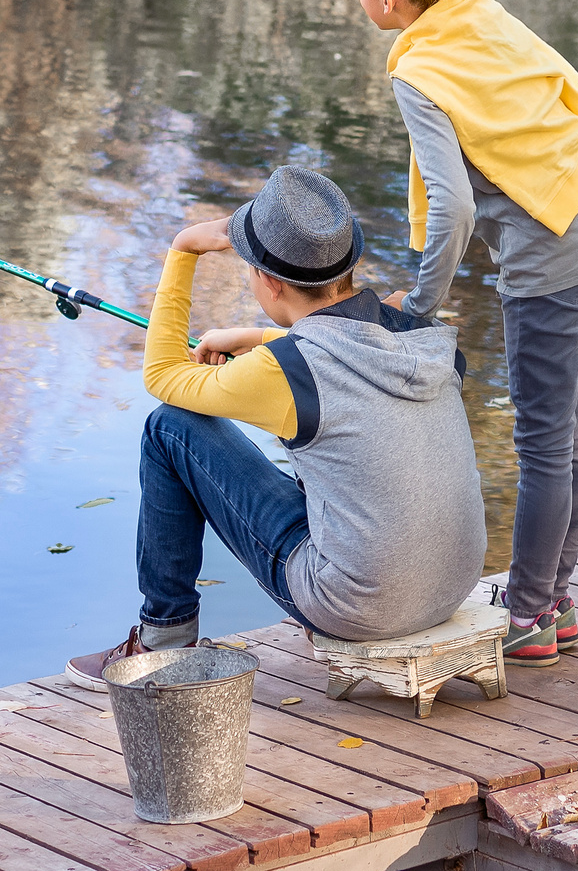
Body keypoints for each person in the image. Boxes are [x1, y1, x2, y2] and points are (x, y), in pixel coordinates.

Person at [66, 165, 488, 687]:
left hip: (358, 605)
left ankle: (163, 643)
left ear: (268, 281)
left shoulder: (287, 371)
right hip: (450, 584)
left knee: (169, 429)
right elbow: (348, 355)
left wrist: (182, 251)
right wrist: (263, 338)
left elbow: (163, 376)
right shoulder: (423, 338)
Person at [356, 0, 578, 667]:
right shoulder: (477, 13)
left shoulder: (419, 66)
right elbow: (567, 85)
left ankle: (531, 611)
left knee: (544, 442)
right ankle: (556, 599)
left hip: (552, 256)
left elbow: (453, 205)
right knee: (573, 428)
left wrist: (418, 305)